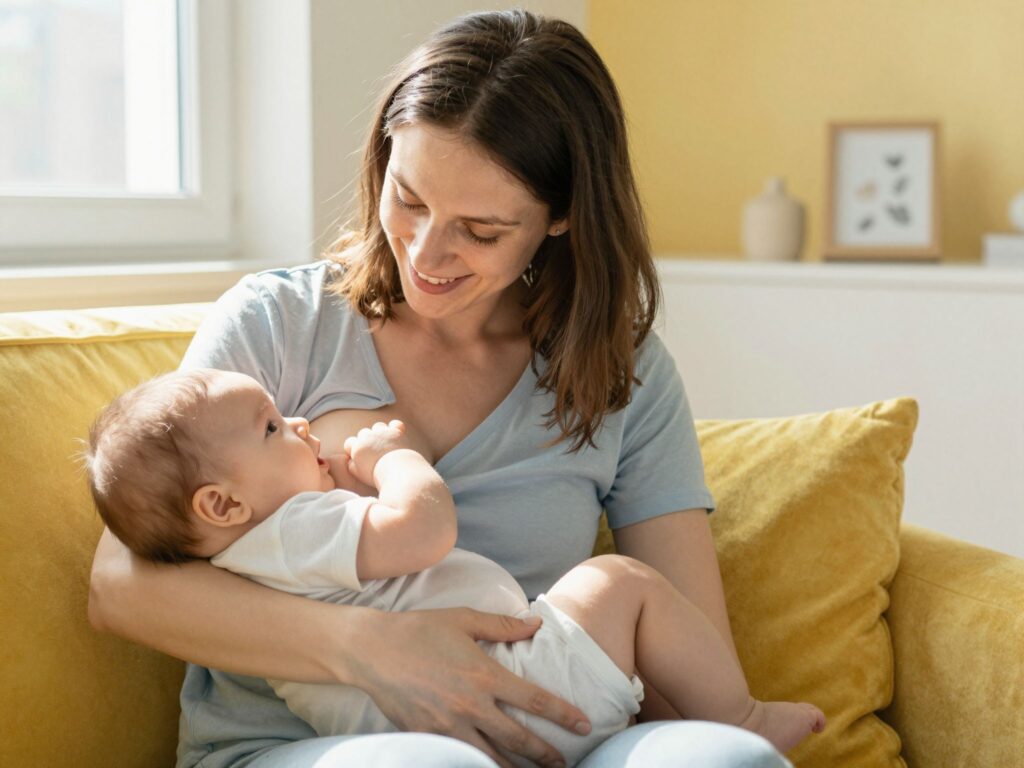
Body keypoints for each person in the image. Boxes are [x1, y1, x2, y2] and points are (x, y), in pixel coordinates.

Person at [88, 9, 802, 768]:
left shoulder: (619, 370)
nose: (427, 254)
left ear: (560, 217)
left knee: (729, 759)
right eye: (411, 199)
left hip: (544, 727)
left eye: (482, 230)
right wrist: (375, 651)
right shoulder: (279, 323)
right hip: (305, 745)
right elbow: (120, 588)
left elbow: (680, 645)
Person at [85, 368, 826, 767]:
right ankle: (741, 712)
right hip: (507, 685)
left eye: (481, 227)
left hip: (457, 720)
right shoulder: (294, 528)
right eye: (274, 427)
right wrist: (395, 459)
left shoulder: (262, 541)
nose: (300, 423)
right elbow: (422, 534)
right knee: (622, 584)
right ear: (219, 504)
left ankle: (730, 735)